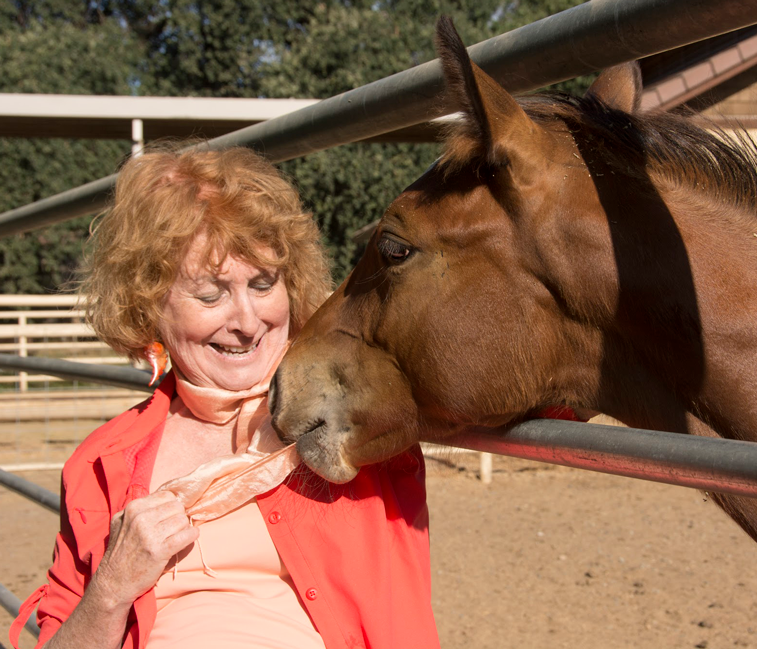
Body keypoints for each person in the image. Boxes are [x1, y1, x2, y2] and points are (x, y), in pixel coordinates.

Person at [10, 146, 440, 649]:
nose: (247, 321)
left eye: (263, 284)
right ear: (150, 303)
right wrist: (110, 588)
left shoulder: (355, 414)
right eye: (211, 295)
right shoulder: (99, 466)